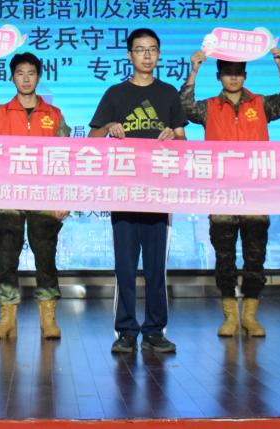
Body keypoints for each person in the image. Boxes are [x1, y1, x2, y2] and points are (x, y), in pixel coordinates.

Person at [181, 47, 280, 337]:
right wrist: (194, 71)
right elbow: (183, 107)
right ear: (219, 76)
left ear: (245, 76)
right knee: (225, 259)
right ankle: (230, 316)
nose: (233, 78)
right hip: (221, 194)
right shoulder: (209, 107)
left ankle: (250, 316)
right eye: (228, 73)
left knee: (255, 257)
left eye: (238, 73)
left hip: (256, 194)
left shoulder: (260, 103)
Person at [0, 51, 70, 339]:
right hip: (9, 196)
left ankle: (48, 319)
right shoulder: (0, 113)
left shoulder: (54, 115)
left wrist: (65, 197)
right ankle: (7, 318)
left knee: (46, 258)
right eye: (20, 73)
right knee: (6, 257)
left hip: (44, 197)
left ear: (39, 77)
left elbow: (66, 158)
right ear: (11, 78)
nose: (26, 79)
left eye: (31, 73)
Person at [89, 28, 187, 355]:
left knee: (156, 267)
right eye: (140, 49)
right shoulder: (115, 94)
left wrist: (173, 137)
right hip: (124, 193)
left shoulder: (168, 93)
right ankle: (126, 331)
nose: (147, 55)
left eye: (152, 49)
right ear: (129, 55)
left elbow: (183, 142)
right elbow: (92, 140)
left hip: (159, 193)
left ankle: (155, 330)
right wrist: (109, 128)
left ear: (159, 54)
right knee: (126, 267)